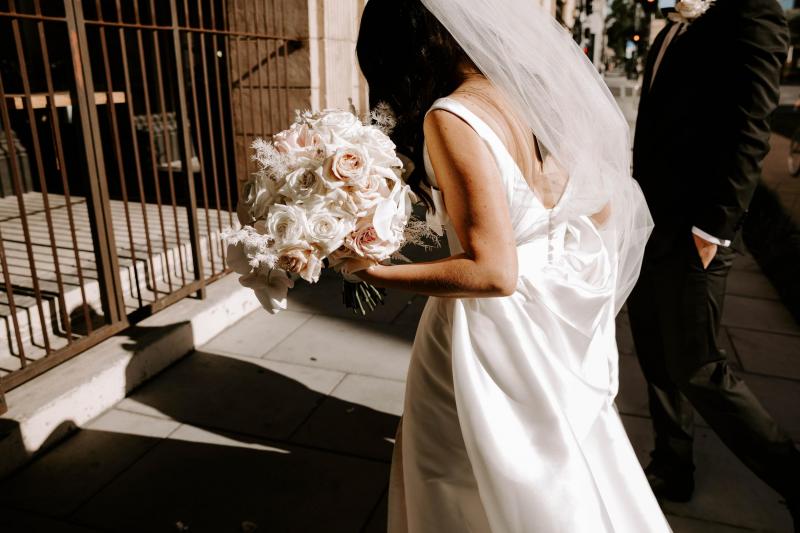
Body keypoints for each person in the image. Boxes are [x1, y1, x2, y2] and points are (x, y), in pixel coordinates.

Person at [352, 0, 670, 531]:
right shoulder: (535, 99)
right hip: (549, 318)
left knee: (452, 477)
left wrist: (372, 272)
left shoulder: (451, 116)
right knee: (566, 471)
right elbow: (602, 206)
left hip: (483, 338)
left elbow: (493, 272)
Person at [629, 0, 799, 526]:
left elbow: (752, 128)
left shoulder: (754, 13)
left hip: (696, 231)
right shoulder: (673, 27)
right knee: (655, 353)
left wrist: (715, 231)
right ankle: (673, 465)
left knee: (699, 366)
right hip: (648, 221)